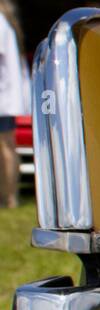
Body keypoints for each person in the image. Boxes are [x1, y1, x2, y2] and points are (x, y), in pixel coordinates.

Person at [0, 0, 28, 209]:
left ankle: (10, 197)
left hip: (3, 97)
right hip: (5, 95)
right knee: (7, 147)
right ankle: (8, 196)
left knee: (7, 148)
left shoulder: (1, 23)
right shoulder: (6, 24)